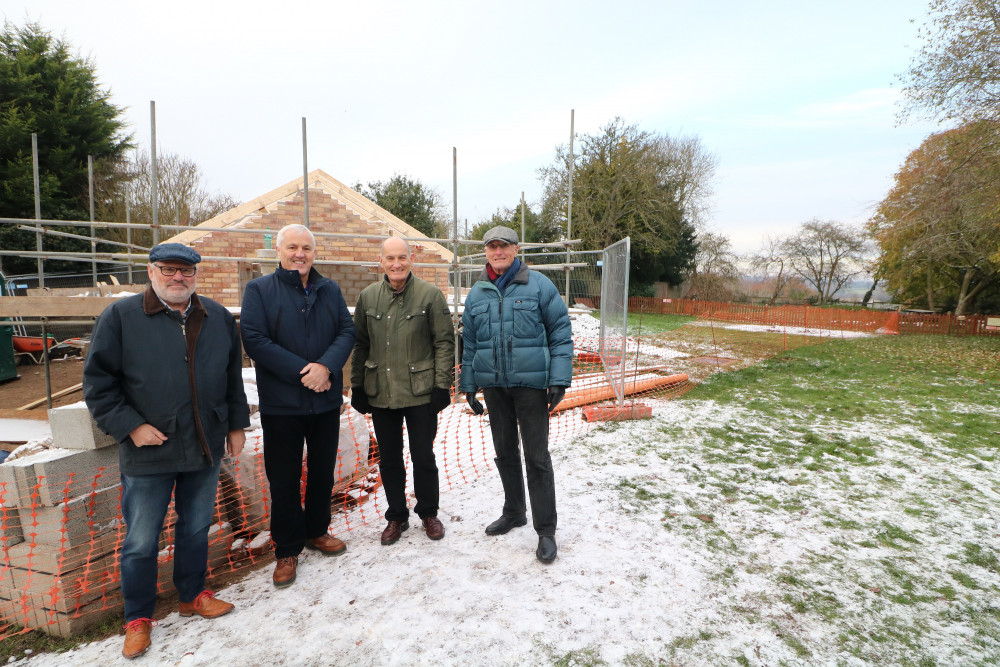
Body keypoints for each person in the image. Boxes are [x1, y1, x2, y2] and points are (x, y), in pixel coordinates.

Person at [83, 243, 250, 659]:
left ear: (196, 275)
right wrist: (130, 427)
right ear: (151, 271)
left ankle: (192, 594)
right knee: (141, 539)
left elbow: (233, 377)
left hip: (204, 442)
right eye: (169, 270)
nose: (179, 278)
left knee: (195, 527)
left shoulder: (215, 317)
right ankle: (138, 617)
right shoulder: (121, 318)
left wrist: (235, 424)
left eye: (186, 272)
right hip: (148, 449)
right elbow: (98, 385)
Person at [240, 224, 356, 588]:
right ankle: (287, 549)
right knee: (284, 480)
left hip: (324, 403)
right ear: (279, 250)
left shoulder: (329, 289)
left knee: (323, 473)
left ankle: (317, 531)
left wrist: (326, 368)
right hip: (282, 405)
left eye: (306, 247)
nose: (300, 254)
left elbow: (346, 331)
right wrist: (303, 371)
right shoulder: (259, 290)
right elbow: (254, 340)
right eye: (292, 247)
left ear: (314, 253)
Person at [460, 226, 573, 564]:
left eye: (504, 246)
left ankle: (546, 530)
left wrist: (559, 381)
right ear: (486, 252)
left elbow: (561, 335)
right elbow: (470, 344)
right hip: (494, 386)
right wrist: (468, 384)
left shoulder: (539, 286)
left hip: (531, 386)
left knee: (537, 457)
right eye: (492, 247)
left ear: (515, 249)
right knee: (505, 452)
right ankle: (514, 512)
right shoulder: (478, 293)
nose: (498, 252)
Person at [351, 237, 455, 546]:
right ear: (380, 261)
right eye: (390, 258)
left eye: (402, 258)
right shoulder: (368, 297)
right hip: (381, 392)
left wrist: (441, 384)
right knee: (390, 458)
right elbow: (360, 344)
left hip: (421, 393)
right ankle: (396, 516)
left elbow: (444, 343)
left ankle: (428, 512)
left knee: (423, 455)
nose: (397, 264)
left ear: (411, 259)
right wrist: (357, 385)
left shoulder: (430, 296)